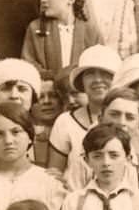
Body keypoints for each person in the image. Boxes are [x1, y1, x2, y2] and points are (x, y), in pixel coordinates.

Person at [47, 44, 121, 172]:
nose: (98, 79)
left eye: (105, 73)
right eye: (90, 74)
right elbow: (54, 174)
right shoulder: (65, 122)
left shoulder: (127, 118)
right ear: (82, 81)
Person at [22, 0, 103, 80]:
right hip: (48, 91)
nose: (43, 0)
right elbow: (28, 63)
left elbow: (100, 63)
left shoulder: (90, 30)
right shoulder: (35, 28)